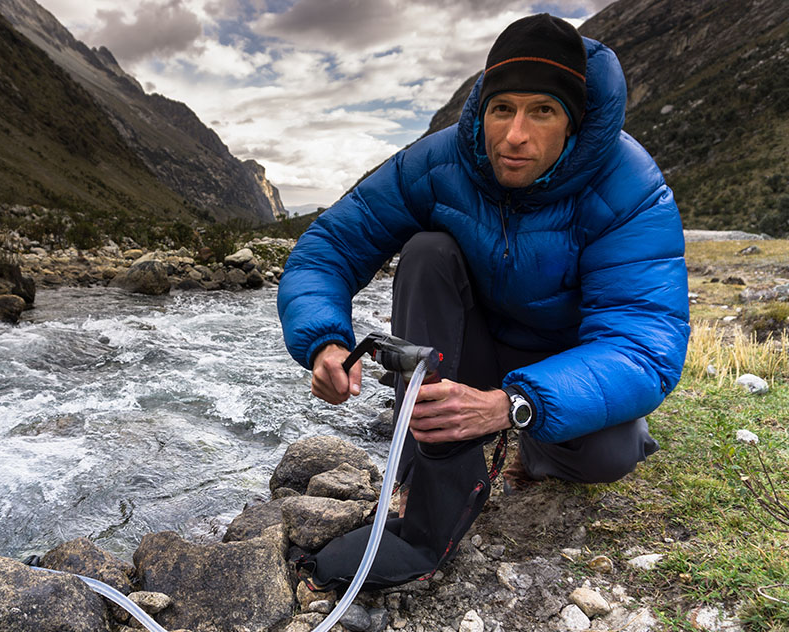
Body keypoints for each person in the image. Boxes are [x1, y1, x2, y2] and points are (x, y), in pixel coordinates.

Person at [277, 14, 690, 590]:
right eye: (503, 109)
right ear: (484, 108)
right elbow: (330, 246)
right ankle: (430, 484)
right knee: (424, 252)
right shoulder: (445, 159)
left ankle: (524, 439)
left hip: (555, 362)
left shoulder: (629, 187)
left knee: (608, 454)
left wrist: (513, 405)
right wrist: (323, 338)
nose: (514, 135)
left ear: (573, 121)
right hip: (465, 344)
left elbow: (645, 345)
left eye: (541, 111)